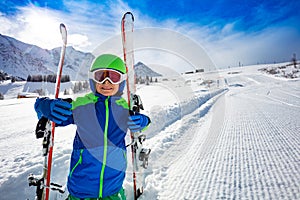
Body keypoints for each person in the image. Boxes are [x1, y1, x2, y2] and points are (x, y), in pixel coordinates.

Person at [34, 54, 151, 200]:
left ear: (121, 81)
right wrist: (45, 106)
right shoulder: (82, 106)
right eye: (100, 76)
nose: (106, 82)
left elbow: (143, 124)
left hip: (113, 189)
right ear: (92, 79)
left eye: (113, 77)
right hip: (81, 189)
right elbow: (44, 111)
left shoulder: (123, 108)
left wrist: (144, 121)